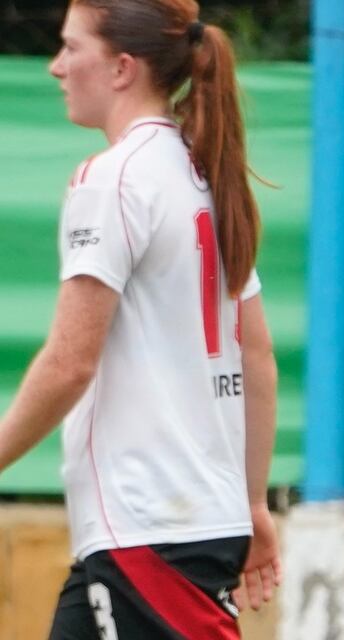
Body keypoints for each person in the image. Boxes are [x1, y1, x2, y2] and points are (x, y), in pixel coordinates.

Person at [0, 1, 281, 637]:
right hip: (176, 523)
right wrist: (252, 499)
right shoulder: (202, 173)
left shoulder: (114, 179)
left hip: (149, 526)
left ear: (122, 67)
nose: (55, 66)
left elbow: (71, 362)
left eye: (72, 48)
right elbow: (256, 358)